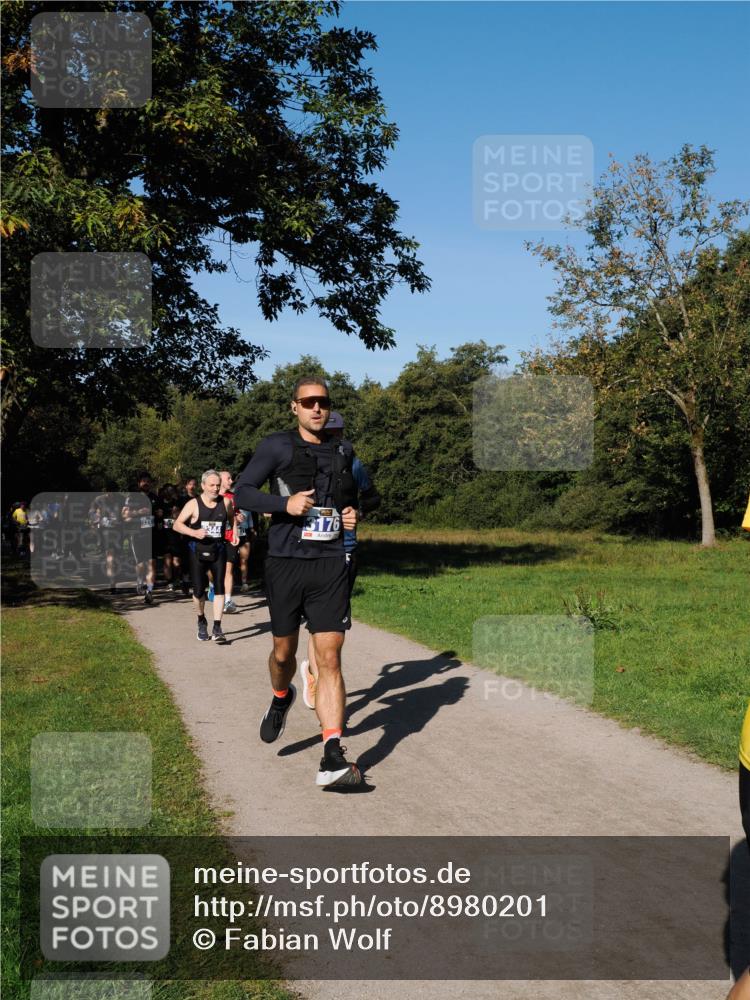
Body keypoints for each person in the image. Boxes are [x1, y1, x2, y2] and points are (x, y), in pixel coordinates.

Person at [234, 376, 361, 788]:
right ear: (294, 407)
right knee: (283, 655)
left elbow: (350, 497)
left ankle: (332, 755)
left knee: (330, 657)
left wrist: (349, 515)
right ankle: (282, 696)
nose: (316, 408)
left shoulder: (343, 451)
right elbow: (242, 493)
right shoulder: (277, 445)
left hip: (329, 563)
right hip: (286, 562)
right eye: (308, 402)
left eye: (322, 401)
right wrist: (283, 504)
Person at [299, 411, 381, 711]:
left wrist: (357, 513)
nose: (332, 439)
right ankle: (315, 675)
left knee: (331, 622)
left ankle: (322, 678)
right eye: (328, 434)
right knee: (314, 620)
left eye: (337, 434)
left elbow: (373, 498)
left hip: (344, 548)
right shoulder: (302, 459)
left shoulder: (351, 462)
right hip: (308, 550)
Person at [174, 469, 238, 643]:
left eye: (218, 485)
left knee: (219, 588)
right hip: (197, 550)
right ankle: (201, 620)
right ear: (203, 486)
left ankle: (217, 627)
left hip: (218, 550)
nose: (215, 488)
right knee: (198, 590)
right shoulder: (193, 504)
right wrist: (194, 533)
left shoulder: (225, 502)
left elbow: (232, 518)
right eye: (211, 485)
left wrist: (235, 532)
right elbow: (177, 525)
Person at [122, 471, 161, 604]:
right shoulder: (132, 498)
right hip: (137, 534)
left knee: (152, 563)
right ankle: (139, 581)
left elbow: (160, 513)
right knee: (141, 563)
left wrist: (159, 513)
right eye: (143, 481)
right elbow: (125, 516)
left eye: (148, 481)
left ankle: (149, 590)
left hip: (152, 535)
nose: (146, 483)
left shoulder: (155, 497)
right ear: (139, 483)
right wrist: (138, 512)